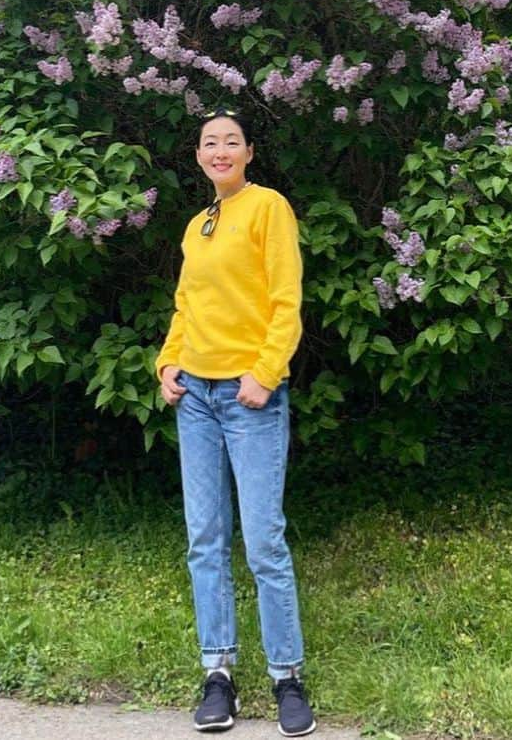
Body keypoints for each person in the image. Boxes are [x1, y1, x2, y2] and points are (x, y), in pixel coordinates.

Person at [156, 107, 316, 737]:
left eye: (230, 142)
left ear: (249, 152)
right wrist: (168, 362)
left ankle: (287, 677)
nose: (219, 151)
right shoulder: (198, 225)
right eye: (208, 143)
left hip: (250, 398)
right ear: (198, 156)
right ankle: (218, 674)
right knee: (206, 539)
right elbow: (186, 304)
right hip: (195, 396)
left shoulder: (267, 207)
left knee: (265, 540)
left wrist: (266, 371)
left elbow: (286, 299)